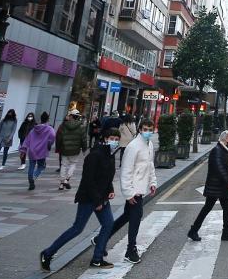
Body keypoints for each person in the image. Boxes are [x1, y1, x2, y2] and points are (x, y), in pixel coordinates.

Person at [39, 129, 119, 270]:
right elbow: (88, 180)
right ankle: (48, 253)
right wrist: (97, 201)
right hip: (89, 198)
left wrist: (110, 190)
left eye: (117, 139)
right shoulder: (95, 155)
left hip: (102, 198)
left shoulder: (110, 155)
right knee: (77, 228)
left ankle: (97, 258)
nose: (115, 141)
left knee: (108, 224)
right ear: (105, 139)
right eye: (112, 138)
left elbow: (106, 177)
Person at [113, 118, 156, 263]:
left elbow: (150, 165)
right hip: (134, 190)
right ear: (139, 130)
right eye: (145, 129)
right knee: (136, 218)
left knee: (127, 216)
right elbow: (126, 171)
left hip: (141, 187)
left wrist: (153, 182)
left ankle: (102, 237)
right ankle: (130, 250)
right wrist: (128, 193)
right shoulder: (133, 146)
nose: (148, 132)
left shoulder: (149, 144)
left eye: (150, 130)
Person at [187, 130, 228, 242]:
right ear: (224, 139)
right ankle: (193, 231)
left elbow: (227, 165)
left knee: (227, 208)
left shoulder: (225, 149)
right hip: (216, 185)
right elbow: (219, 168)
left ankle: (226, 233)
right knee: (208, 208)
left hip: (222, 186)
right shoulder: (217, 150)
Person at [22, 112, 56, 191]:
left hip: (32, 150)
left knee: (31, 166)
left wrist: (23, 149)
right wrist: (49, 143)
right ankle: (34, 176)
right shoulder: (49, 129)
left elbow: (27, 139)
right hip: (42, 150)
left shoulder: (34, 129)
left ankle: (31, 179)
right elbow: (53, 136)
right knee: (41, 166)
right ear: (48, 119)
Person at [56, 109, 87, 191]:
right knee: (73, 164)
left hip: (64, 148)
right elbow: (83, 139)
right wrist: (84, 149)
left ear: (71, 116)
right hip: (75, 149)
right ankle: (67, 179)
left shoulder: (63, 125)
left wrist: (58, 147)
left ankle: (62, 183)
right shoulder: (81, 127)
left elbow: (59, 137)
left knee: (64, 165)